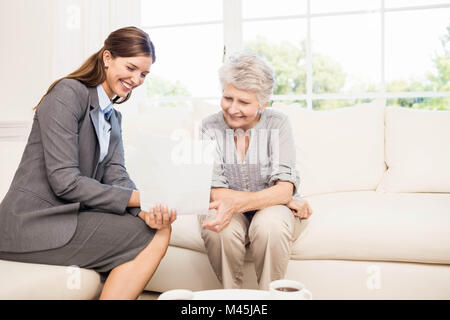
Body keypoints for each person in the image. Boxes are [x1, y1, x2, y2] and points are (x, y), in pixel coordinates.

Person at [0, 26, 177, 300]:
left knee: (158, 226)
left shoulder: (113, 118)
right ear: (107, 58)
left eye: (143, 74)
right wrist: (138, 199)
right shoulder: (68, 93)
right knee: (153, 236)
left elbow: (117, 175)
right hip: (30, 224)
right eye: (131, 68)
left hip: (68, 216)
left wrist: (143, 210)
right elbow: (65, 182)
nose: (136, 79)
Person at [199, 52, 313, 290]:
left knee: (269, 225)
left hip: (273, 212)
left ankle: (271, 298)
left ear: (263, 103)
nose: (232, 109)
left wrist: (282, 196)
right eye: (228, 97)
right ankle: (233, 298)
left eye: (244, 102)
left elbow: (283, 189)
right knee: (218, 228)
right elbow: (215, 193)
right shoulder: (209, 127)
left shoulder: (278, 123)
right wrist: (282, 197)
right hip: (261, 203)